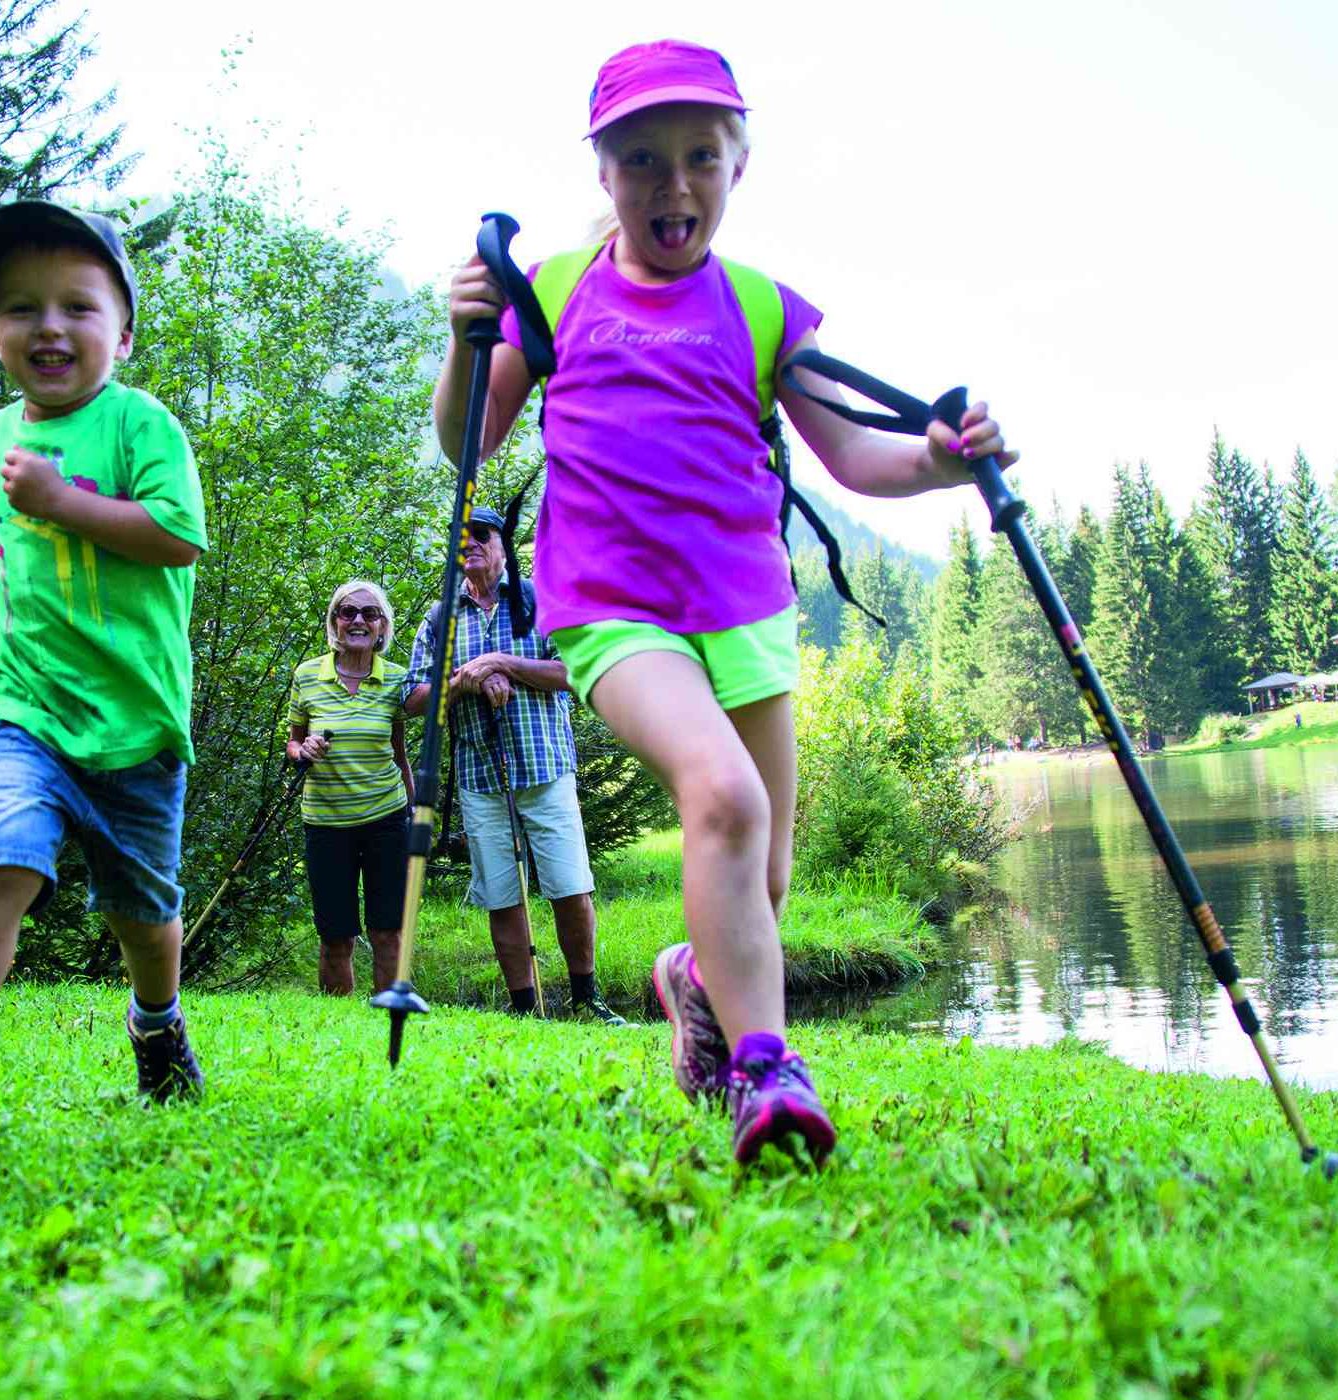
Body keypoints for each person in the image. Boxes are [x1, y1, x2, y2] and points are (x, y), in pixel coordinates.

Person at [437, 40, 1015, 1163]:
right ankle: (766, 1073)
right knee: (724, 796)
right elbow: (468, 438)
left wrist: (943, 462)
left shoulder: (761, 307)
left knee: (766, 872)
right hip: (610, 609)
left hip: (745, 610)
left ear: (737, 167)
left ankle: (692, 986)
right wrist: (465, 338)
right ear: (603, 173)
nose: (673, 183)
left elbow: (855, 457)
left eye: (701, 155)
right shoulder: (552, 290)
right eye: (643, 158)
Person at [0, 200, 209, 1136]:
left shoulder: (141, 427)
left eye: (77, 307)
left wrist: (60, 499)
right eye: (21, 308)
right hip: (22, 703)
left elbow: (177, 537)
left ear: (124, 333)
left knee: (144, 915)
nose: (48, 326)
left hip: (136, 724)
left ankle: (156, 1023)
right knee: (4, 851)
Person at [405, 508, 624, 1023]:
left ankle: (586, 998)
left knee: (569, 886)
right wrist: (468, 679)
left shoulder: (539, 600)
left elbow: (575, 671)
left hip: (545, 768)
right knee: (501, 895)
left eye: (482, 534)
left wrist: (504, 663)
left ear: (504, 546)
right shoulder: (441, 618)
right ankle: (526, 1010)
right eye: (461, 535)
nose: (472, 543)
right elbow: (412, 697)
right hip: (481, 777)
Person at [287, 580, 414, 996]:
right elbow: (292, 742)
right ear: (334, 623)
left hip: (387, 821)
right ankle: (339, 1024)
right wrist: (301, 748)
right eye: (347, 612)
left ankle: (385, 1017)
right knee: (335, 935)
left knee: (388, 932)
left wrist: (413, 816)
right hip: (325, 822)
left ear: (382, 627)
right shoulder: (307, 675)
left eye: (369, 614)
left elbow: (399, 752)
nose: (358, 620)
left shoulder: (398, 680)